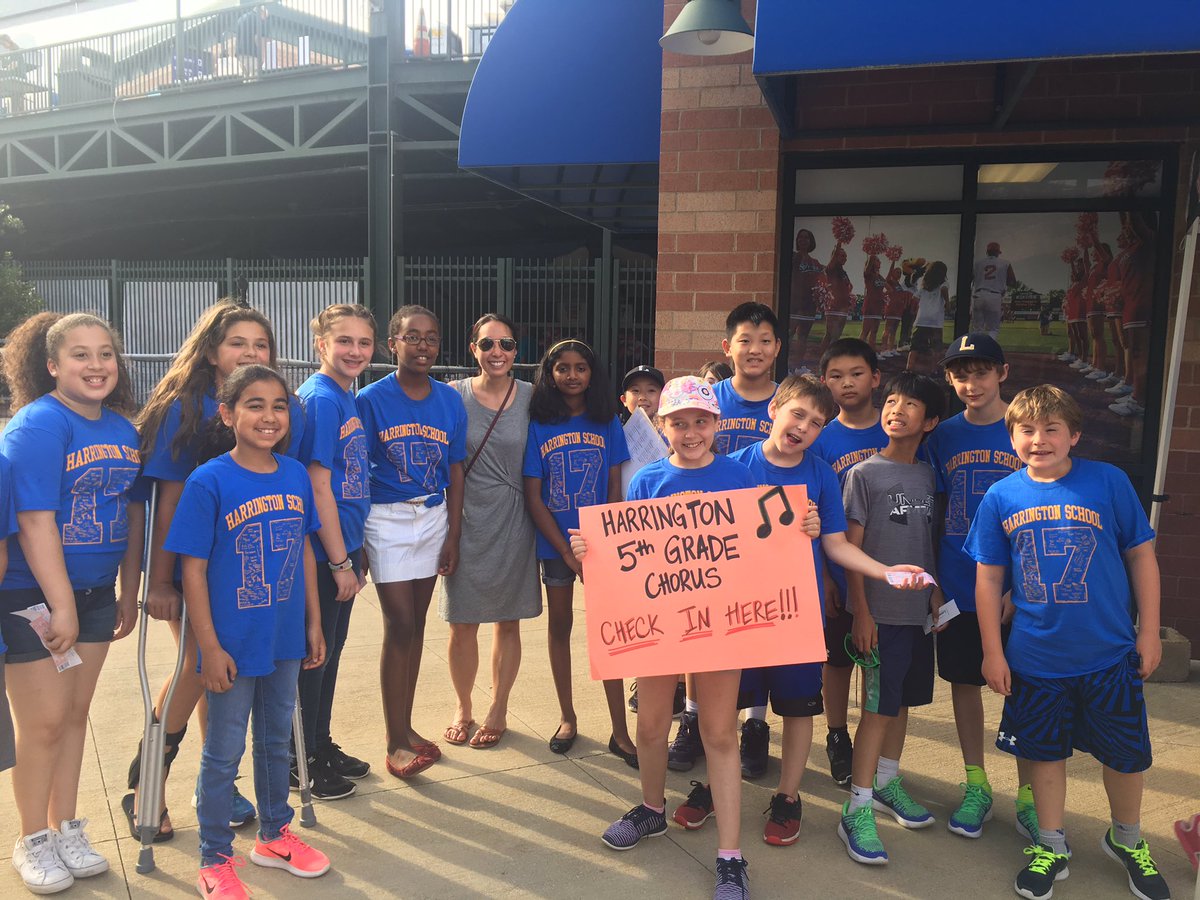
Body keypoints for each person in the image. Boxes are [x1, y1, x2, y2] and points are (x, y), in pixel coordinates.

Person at [696, 375, 925, 849]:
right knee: (728, 707)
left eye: (817, 422)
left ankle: (788, 796)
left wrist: (884, 571)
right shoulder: (734, 467)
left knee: (799, 707)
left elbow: (837, 545)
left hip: (797, 614)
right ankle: (718, 787)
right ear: (774, 410)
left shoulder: (821, 475)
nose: (803, 427)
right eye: (797, 414)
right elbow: (710, 543)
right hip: (740, 614)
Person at [966, 385, 1171, 900]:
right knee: (1044, 754)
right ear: (1011, 437)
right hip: (1036, 656)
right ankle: (1051, 843)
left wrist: (1148, 630)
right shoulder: (1001, 496)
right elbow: (988, 579)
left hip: (1108, 652)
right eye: (1027, 430)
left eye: (1051, 429)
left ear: (1074, 435)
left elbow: (1141, 556)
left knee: (1125, 756)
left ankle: (1126, 838)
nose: (1039, 440)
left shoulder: (1108, 481)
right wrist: (992, 650)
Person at [569, 376, 756, 900]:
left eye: (700, 422)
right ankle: (652, 808)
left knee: (720, 733)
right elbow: (630, 553)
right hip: (661, 622)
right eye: (678, 422)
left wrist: (800, 528)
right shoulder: (648, 480)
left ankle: (730, 855)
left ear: (716, 424)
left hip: (719, 623)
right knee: (651, 725)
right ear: (661, 425)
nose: (690, 432)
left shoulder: (738, 477)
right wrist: (592, 551)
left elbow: (761, 544)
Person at [125, 301, 303, 843]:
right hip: (191, 566)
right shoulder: (185, 408)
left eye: (260, 344)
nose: (250, 353)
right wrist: (160, 582)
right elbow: (168, 500)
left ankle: (215, 789)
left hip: (246, 567)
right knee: (195, 669)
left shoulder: (270, 403)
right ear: (210, 351)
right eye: (237, 343)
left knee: (216, 679)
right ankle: (145, 786)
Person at [166, 365, 330, 900]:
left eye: (279, 405)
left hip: (283, 636)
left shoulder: (295, 474)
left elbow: (305, 550)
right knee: (223, 749)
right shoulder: (208, 481)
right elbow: (192, 570)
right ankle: (214, 857)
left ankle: (274, 835)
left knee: (275, 738)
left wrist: (313, 622)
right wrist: (209, 647)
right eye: (254, 404)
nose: (269, 416)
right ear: (227, 413)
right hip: (232, 641)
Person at [1, 312, 143, 894]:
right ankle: (32, 837)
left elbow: (131, 512)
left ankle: (65, 827)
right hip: (35, 596)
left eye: (105, 353)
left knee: (75, 717)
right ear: (53, 365)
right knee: (43, 723)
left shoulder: (124, 429)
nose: (96, 365)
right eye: (80, 355)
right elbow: (35, 522)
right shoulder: (39, 424)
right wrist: (61, 606)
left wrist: (127, 588)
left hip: (95, 593)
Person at [924, 334, 1031, 842]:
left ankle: (1031, 793)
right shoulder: (942, 436)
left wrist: (1024, 585)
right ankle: (976, 783)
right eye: (961, 375)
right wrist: (934, 583)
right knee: (965, 684)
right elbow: (934, 512)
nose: (972, 383)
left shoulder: (1026, 429)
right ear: (950, 380)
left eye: (982, 372)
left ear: (1002, 373)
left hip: (1019, 590)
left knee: (1026, 692)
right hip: (960, 581)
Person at [838, 371, 945, 867]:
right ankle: (856, 806)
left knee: (900, 704)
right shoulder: (864, 474)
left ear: (931, 422)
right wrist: (861, 611)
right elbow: (851, 551)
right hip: (878, 614)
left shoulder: (928, 477)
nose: (897, 409)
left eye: (911, 404)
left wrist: (935, 596)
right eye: (892, 401)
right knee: (876, 710)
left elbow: (926, 544)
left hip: (916, 614)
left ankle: (886, 782)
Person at [357, 305, 466, 778]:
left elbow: (456, 469)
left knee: (417, 626)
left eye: (432, 338)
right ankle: (394, 741)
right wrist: (358, 536)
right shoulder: (371, 399)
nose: (423, 345)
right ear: (393, 344)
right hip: (386, 518)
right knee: (399, 623)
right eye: (412, 337)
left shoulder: (449, 401)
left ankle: (405, 726)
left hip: (433, 515)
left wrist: (453, 533)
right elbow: (356, 469)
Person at [678, 302, 779, 780]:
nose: (754, 349)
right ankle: (693, 717)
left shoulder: (789, 400)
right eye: (745, 340)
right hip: (701, 544)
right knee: (697, 629)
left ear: (777, 347)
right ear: (727, 347)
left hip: (763, 539)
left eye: (764, 341)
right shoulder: (706, 398)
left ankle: (755, 724)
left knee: (753, 632)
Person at [523, 340, 636, 764]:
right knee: (560, 626)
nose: (572, 375)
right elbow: (534, 497)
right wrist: (567, 553)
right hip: (557, 544)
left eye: (581, 368)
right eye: (563, 368)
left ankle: (620, 732)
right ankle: (567, 717)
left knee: (608, 632)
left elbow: (614, 489)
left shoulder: (607, 421)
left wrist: (604, 545)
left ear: (592, 374)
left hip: (600, 545)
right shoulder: (540, 424)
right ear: (550, 374)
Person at [441, 314, 540, 750]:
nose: (497, 352)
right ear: (473, 350)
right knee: (461, 622)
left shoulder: (532, 397)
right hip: (465, 518)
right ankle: (463, 706)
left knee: (507, 620)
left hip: (514, 518)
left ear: (516, 351)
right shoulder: (453, 395)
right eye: (487, 344)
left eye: (506, 344)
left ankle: (499, 707)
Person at [292, 305, 376, 800]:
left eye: (364, 342)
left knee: (331, 652)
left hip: (344, 543)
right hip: (324, 553)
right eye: (344, 341)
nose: (355, 351)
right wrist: (340, 561)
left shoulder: (346, 396)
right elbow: (318, 484)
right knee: (314, 654)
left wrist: (353, 551)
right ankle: (298, 759)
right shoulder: (321, 399)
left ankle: (319, 743)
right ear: (321, 345)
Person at [810, 338, 887, 786]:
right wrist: (824, 576)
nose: (847, 383)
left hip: (888, 569)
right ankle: (837, 734)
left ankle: (875, 744)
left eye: (856, 373)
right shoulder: (822, 438)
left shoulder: (896, 430)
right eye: (836, 376)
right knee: (837, 661)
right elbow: (814, 512)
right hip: (838, 571)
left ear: (875, 377)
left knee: (880, 665)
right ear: (825, 382)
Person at [787, 228, 827, 374]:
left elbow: (823, 277)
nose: (803, 240)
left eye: (806, 238)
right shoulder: (793, 257)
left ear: (811, 242)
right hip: (794, 304)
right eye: (800, 237)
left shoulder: (815, 262)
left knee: (803, 337)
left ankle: (798, 366)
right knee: (789, 335)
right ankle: (786, 365)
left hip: (808, 306)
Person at [907, 261, 950, 373]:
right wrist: (947, 302)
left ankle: (909, 368)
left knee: (914, 346)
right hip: (935, 321)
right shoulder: (944, 283)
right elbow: (944, 290)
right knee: (936, 346)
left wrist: (913, 309)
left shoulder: (924, 285)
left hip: (921, 319)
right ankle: (934, 370)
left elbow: (915, 298)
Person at [971, 242, 1016, 338]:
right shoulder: (1005, 263)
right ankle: (989, 347)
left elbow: (970, 279)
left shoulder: (977, 263)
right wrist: (1001, 283)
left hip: (979, 295)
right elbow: (1012, 281)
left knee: (977, 329)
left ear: (987, 252)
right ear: (998, 252)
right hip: (995, 296)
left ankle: (976, 347)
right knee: (993, 329)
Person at [818, 245, 853, 357]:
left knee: (834, 335)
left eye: (845, 256)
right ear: (835, 256)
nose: (844, 258)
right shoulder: (831, 268)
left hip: (843, 306)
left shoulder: (844, 272)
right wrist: (840, 241)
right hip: (834, 305)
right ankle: (827, 359)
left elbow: (849, 286)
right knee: (832, 335)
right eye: (841, 255)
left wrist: (848, 297)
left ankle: (826, 358)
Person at [860, 254, 886, 349]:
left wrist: (882, 296)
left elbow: (890, 289)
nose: (880, 262)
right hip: (870, 305)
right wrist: (872, 254)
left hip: (878, 306)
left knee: (874, 331)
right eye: (877, 260)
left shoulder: (880, 277)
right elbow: (868, 267)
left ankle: (871, 350)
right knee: (865, 331)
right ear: (872, 262)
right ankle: (858, 352)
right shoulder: (868, 274)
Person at [235, 5, 268, 79]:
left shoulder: (241, 19)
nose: (264, 19)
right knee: (255, 76)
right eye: (264, 17)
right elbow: (257, 38)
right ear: (262, 12)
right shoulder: (257, 19)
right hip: (251, 54)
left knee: (245, 78)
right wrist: (262, 56)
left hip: (240, 54)